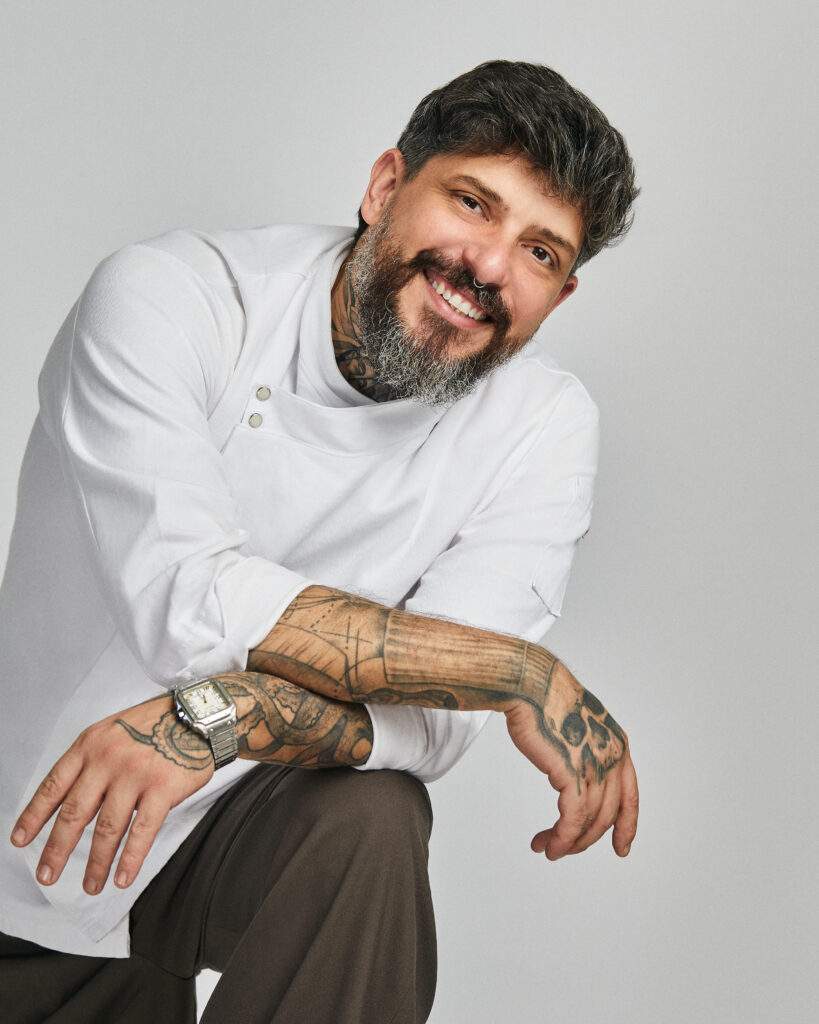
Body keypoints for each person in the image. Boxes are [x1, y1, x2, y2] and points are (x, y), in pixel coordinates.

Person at [0, 59, 640, 1023]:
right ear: (385, 186)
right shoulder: (177, 297)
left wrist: (223, 715)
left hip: (237, 832)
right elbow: (191, 601)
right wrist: (517, 670)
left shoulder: (543, 423)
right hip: (39, 830)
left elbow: (435, 723)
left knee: (371, 820)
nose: (488, 267)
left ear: (561, 294)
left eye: (540, 253)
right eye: (471, 203)